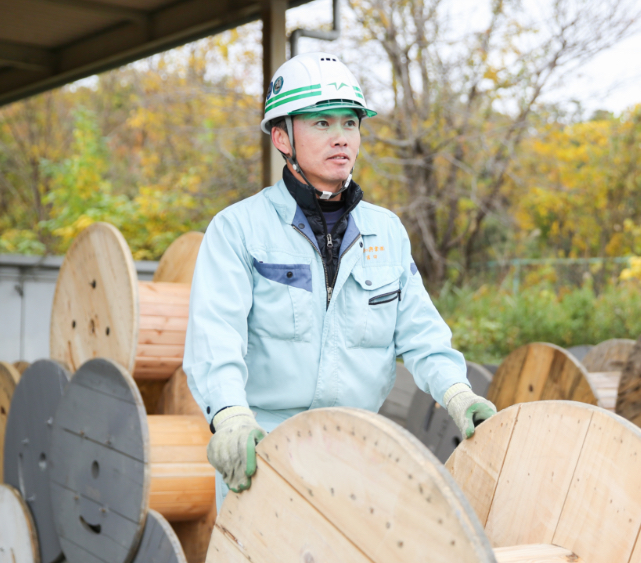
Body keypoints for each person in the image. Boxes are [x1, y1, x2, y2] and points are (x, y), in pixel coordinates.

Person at [183, 52, 496, 505]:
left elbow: (422, 334)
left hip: (358, 452)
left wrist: (459, 395)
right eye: (322, 123)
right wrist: (230, 417)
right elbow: (216, 337)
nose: (341, 138)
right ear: (282, 137)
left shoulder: (385, 232)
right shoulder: (238, 230)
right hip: (264, 451)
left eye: (350, 123)